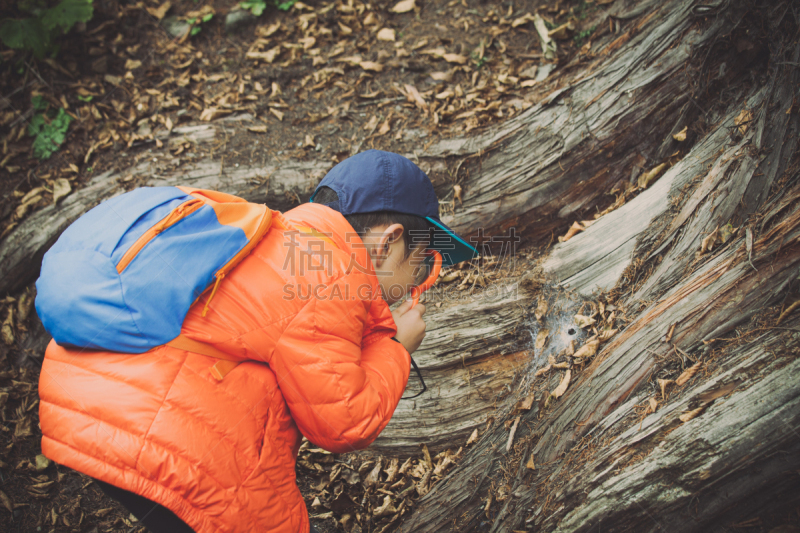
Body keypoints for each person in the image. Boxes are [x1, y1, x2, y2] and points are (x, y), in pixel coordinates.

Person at [37, 150, 477, 533]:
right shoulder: (333, 274)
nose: (419, 283)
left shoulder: (287, 243)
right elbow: (344, 422)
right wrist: (397, 346)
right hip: (154, 435)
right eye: (423, 267)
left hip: (90, 398)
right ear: (387, 245)